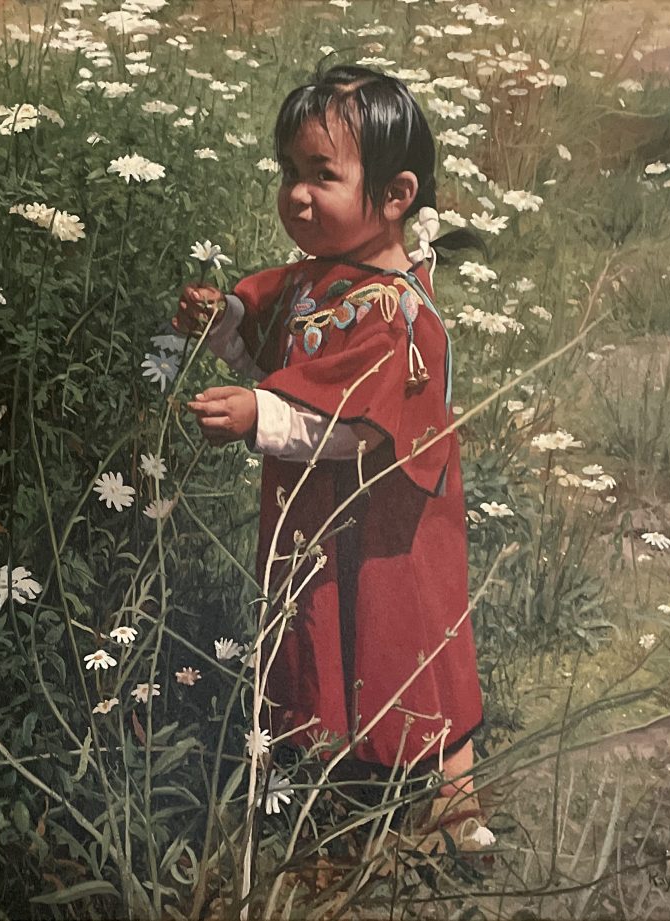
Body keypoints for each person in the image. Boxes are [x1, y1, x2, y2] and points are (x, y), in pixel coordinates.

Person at [173, 65, 488, 846]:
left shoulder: (399, 314)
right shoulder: (317, 280)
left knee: (405, 639)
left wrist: (260, 418)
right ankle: (340, 780)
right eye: (290, 172)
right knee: (322, 627)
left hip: (390, 524)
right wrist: (227, 317)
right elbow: (275, 348)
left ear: (394, 195)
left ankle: (453, 788)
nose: (297, 195)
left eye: (322, 174)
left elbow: (356, 428)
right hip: (321, 510)